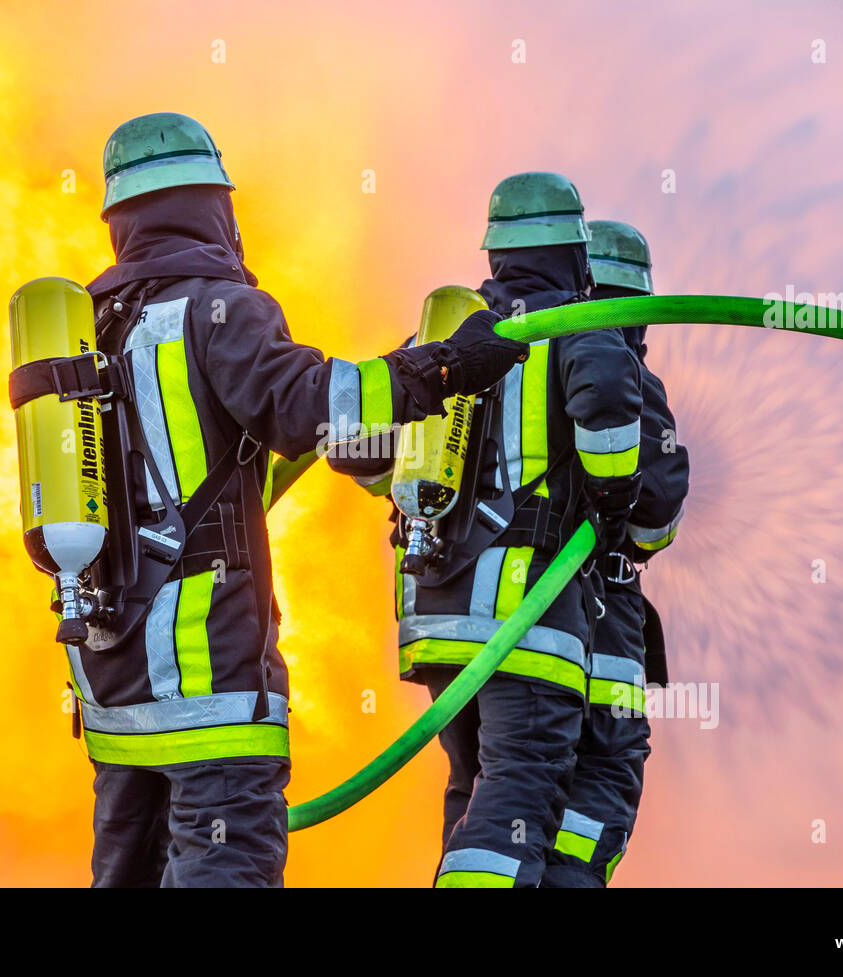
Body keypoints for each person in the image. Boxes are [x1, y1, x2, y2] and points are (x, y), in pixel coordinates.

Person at [72, 113, 528, 887]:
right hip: (209, 687)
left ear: (121, 223)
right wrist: (449, 367)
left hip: (114, 698)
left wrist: (386, 441)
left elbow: (298, 430)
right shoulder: (219, 308)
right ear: (215, 206)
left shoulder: (93, 327)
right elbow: (320, 405)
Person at [332, 173, 644, 887]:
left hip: (437, 620)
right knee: (520, 788)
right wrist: (610, 503)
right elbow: (608, 406)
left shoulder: (445, 334)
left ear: (496, 252)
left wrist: (419, 491)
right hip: (524, 620)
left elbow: (352, 444)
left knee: (474, 794)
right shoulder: (577, 328)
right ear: (575, 253)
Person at [542, 220, 690, 887]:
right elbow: (656, 512)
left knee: (505, 786)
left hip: (500, 622)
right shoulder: (623, 370)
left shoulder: (512, 355)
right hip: (597, 623)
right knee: (602, 771)